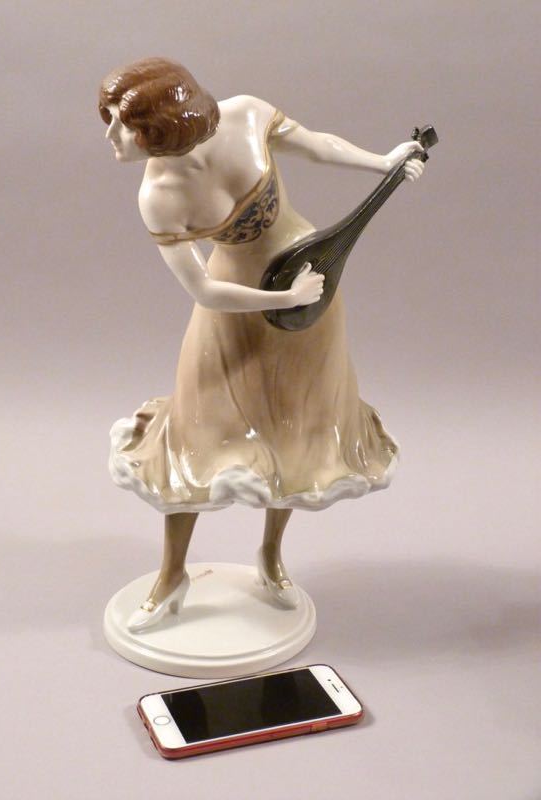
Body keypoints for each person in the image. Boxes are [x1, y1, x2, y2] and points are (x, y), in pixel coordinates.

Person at [99, 57, 425, 631]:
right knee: (194, 436)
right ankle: (172, 574)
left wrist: (384, 162)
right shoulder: (159, 195)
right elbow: (204, 289)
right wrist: (282, 297)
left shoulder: (246, 115)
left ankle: (271, 557)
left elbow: (317, 146)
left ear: (165, 127)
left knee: (294, 428)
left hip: (311, 281)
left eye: (124, 126)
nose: (111, 138)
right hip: (239, 305)